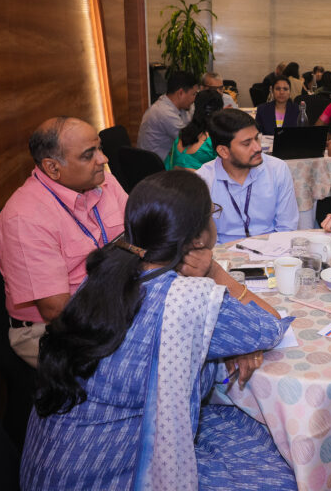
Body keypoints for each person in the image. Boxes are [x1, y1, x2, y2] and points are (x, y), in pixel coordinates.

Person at [20, 170, 296, 490]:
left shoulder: (105, 275)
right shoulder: (188, 299)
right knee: (278, 460)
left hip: (51, 469)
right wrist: (214, 271)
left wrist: (232, 339)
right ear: (200, 237)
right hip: (117, 476)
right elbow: (271, 325)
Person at [0, 117, 128, 367]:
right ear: (53, 168)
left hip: (115, 300)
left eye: (100, 147)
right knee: (139, 364)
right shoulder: (24, 218)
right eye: (89, 154)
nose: (103, 159)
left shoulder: (104, 181)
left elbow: (137, 235)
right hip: (52, 329)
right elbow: (57, 311)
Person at [197, 109, 298, 243]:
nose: (257, 148)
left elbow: (287, 228)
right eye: (247, 143)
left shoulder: (277, 169)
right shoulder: (203, 180)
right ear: (223, 151)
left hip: (271, 250)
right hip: (224, 255)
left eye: (257, 138)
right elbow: (205, 239)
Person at [138, 71, 198, 160]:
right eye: (193, 94)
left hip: (169, 159)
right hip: (156, 167)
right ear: (180, 93)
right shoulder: (163, 112)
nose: (194, 98)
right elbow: (188, 141)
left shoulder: (181, 106)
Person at [165, 88, 223, 170]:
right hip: (198, 181)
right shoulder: (214, 139)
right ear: (220, 110)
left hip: (172, 179)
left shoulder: (182, 134)